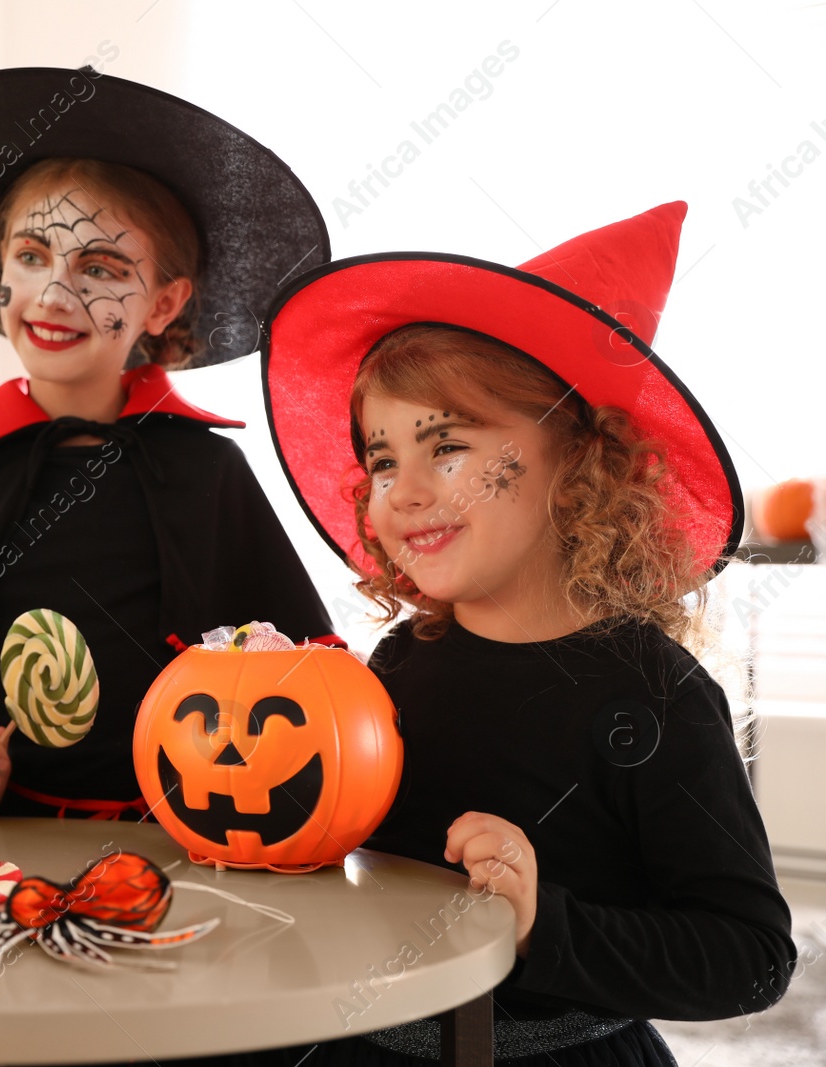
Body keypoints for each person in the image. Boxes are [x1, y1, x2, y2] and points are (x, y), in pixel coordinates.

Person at [259, 203, 796, 1063]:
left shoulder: (653, 697)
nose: (398, 490)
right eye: (382, 457)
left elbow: (749, 958)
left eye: (449, 447)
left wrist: (544, 920)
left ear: (579, 461)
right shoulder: (403, 661)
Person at [0, 66, 341, 821]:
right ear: (0, 275)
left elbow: (298, 697)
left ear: (163, 303)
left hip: (185, 853)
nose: (55, 295)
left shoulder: (208, 472)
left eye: (100, 268)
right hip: (4, 855)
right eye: (31, 256)